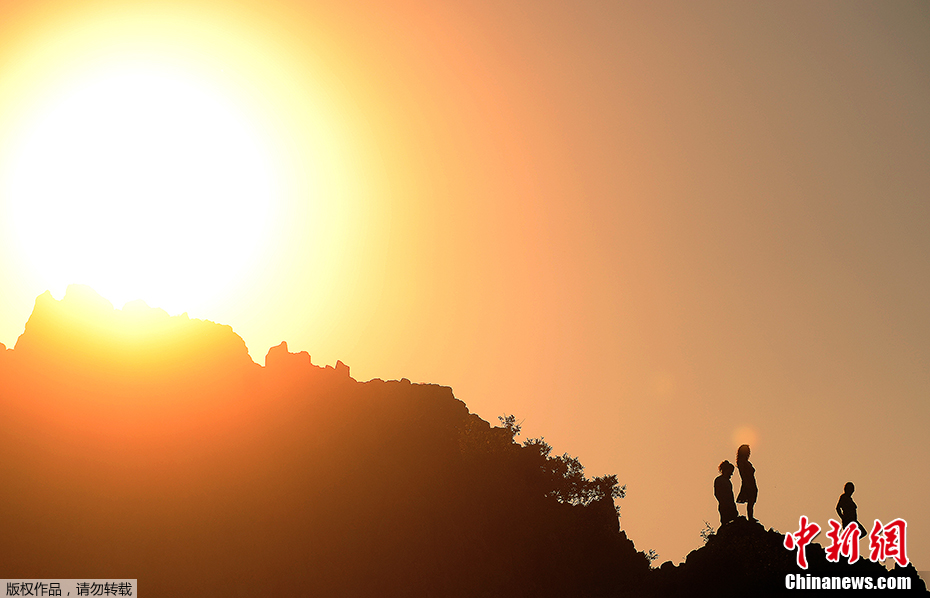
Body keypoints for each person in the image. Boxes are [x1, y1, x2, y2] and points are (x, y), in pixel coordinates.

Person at [736, 444, 758, 522]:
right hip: (747, 482)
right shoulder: (741, 462)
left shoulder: (746, 462)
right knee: (750, 500)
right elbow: (742, 473)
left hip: (752, 482)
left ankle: (751, 517)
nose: (749, 453)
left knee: (752, 500)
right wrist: (746, 483)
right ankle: (750, 518)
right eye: (747, 451)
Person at [714, 460, 739, 526]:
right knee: (725, 523)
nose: (731, 474)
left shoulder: (728, 482)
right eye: (730, 471)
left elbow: (731, 495)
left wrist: (733, 506)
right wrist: (723, 503)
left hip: (731, 506)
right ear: (725, 470)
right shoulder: (719, 480)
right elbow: (717, 493)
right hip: (724, 506)